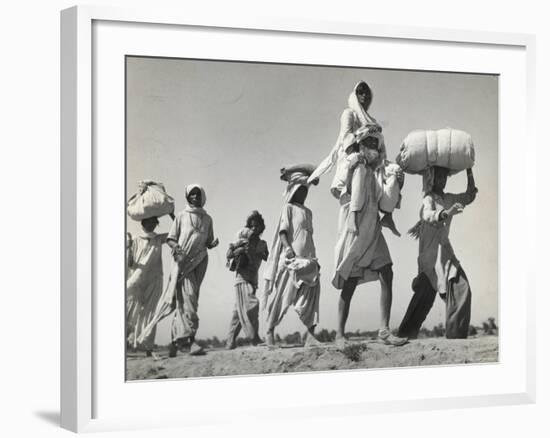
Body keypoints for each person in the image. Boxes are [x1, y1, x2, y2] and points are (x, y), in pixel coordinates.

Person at [333, 139, 407, 346]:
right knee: (350, 279)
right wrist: (353, 222)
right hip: (356, 227)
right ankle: (339, 334)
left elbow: (385, 202)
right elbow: (351, 196)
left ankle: (384, 330)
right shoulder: (356, 166)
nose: (374, 149)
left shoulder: (376, 174)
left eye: (377, 145)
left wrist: (398, 181)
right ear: (361, 147)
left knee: (386, 271)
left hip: (372, 228)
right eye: (370, 144)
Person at [308, 81, 401, 236]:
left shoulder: (372, 121)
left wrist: (384, 162)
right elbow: (346, 140)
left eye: (367, 93)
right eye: (360, 92)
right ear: (355, 95)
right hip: (352, 158)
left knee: (396, 171)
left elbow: (380, 148)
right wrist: (366, 132)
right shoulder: (349, 114)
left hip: (372, 161)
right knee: (358, 164)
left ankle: (388, 215)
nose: (364, 95)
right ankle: (352, 214)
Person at [137, 184, 219, 356]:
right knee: (188, 299)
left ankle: (176, 342)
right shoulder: (181, 217)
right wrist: (178, 250)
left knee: (189, 300)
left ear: (202, 196)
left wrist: (212, 244)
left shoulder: (208, 218)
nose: (195, 197)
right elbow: (171, 239)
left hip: (200, 261)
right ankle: (189, 341)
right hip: (183, 263)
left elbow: (208, 241)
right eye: (192, 195)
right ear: (187, 197)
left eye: (198, 194)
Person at [397, 167, 478, 339]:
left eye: (444, 176)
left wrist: (469, 171)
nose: (442, 180)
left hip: (446, 254)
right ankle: (404, 336)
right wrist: (447, 213)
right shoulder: (428, 198)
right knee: (423, 300)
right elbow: (427, 215)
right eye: (438, 176)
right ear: (431, 179)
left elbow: (470, 195)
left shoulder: (448, 198)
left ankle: (456, 337)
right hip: (430, 257)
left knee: (462, 288)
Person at [263, 165, 322, 348]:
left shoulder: (308, 212)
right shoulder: (288, 208)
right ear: (293, 190)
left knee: (311, 298)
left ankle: (310, 336)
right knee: (281, 298)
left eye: (305, 190)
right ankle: (269, 332)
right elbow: (283, 232)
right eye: (300, 189)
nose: (303, 193)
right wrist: (288, 248)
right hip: (291, 260)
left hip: (309, 260)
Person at [126, 216, 171, 360]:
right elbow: (130, 264)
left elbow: (179, 229)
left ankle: (147, 347)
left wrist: (171, 214)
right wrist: (128, 247)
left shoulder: (159, 239)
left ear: (156, 224)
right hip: (136, 279)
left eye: (154, 222)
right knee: (130, 312)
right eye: (148, 221)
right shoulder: (135, 240)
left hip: (154, 279)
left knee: (150, 312)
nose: (151, 224)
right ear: (143, 222)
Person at [225, 211, 269, 349]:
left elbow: (269, 258)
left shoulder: (262, 244)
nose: (254, 228)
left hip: (253, 279)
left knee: (238, 313)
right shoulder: (242, 240)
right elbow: (229, 253)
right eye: (252, 226)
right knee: (252, 304)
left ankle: (230, 341)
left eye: (257, 226)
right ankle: (254, 337)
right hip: (242, 278)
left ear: (262, 227)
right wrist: (237, 251)